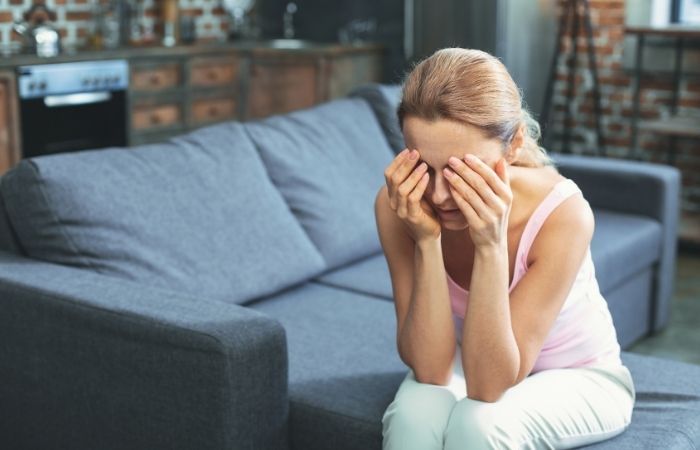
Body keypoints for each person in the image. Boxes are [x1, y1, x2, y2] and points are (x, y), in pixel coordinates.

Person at [375, 48, 635, 449]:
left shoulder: (563, 214)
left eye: (462, 171)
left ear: (513, 146)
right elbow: (430, 370)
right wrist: (426, 242)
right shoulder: (400, 206)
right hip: (469, 359)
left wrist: (490, 244)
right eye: (424, 167)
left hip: (581, 376)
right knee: (414, 415)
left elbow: (489, 386)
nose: (440, 195)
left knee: (481, 424)